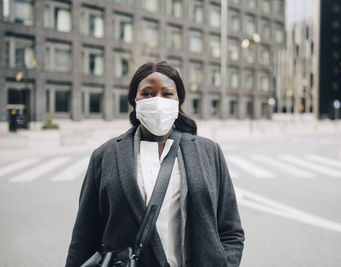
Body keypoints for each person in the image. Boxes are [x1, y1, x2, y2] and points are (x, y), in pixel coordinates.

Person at [65, 61, 245, 267]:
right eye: (148, 93)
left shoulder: (209, 152)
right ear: (135, 100)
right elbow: (84, 236)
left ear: (178, 101)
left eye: (167, 94)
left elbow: (231, 231)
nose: (157, 101)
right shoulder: (105, 156)